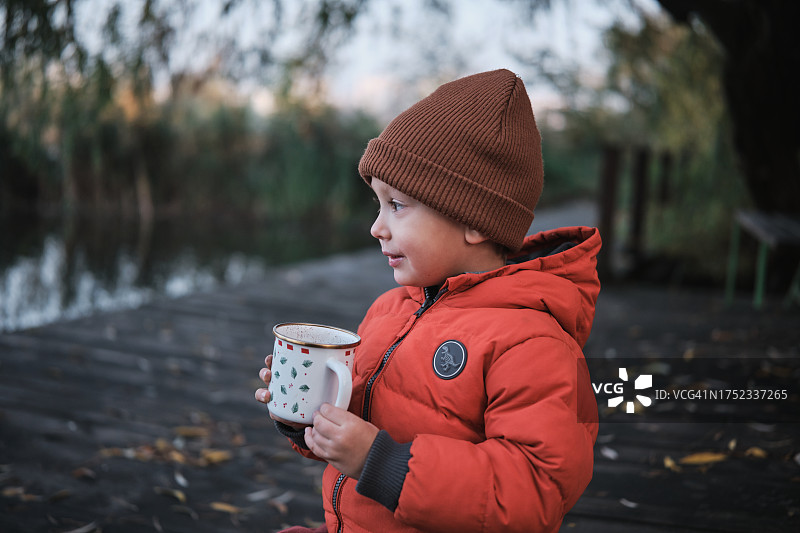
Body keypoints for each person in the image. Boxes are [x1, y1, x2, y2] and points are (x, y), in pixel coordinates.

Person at [255, 68, 600, 533]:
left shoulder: (533, 344)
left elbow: (533, 493)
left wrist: (380, 463)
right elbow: (367, 422)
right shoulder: (389, 310)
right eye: (378, 204)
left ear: (474, 220)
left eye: (397, 205)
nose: (376, 227)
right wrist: (307, 414)